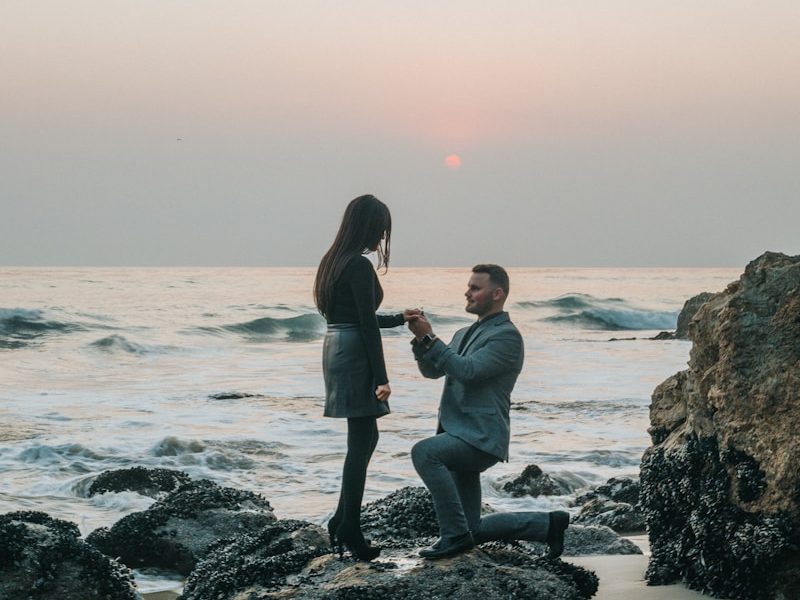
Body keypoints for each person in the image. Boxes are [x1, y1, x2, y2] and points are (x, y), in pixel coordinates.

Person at [408, 264, 569, 559]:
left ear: (497, 294)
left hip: (481, 437)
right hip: (458, 432)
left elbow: (468, 371)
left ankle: (453, 537)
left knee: (424, 453)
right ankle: (548, 525)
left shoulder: (507, 337)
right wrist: (421, 341)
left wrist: (431, 339)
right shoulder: (463, 333)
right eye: (468, 286)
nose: (467, 292)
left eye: (475, 288)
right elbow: (433, 370)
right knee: (474, 530)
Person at [314, 194, 419, 561]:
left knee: (364, 438)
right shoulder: (358, 265)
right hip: (355, 351)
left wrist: (397, 319)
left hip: (336, 346)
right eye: (381, 230)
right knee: (361, 442)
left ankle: (343, 519)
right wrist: (382, 378)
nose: (382, 239)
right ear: (368, 227)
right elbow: (365, 327)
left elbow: (356, 316)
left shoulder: (332, 261)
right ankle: (349, 529)